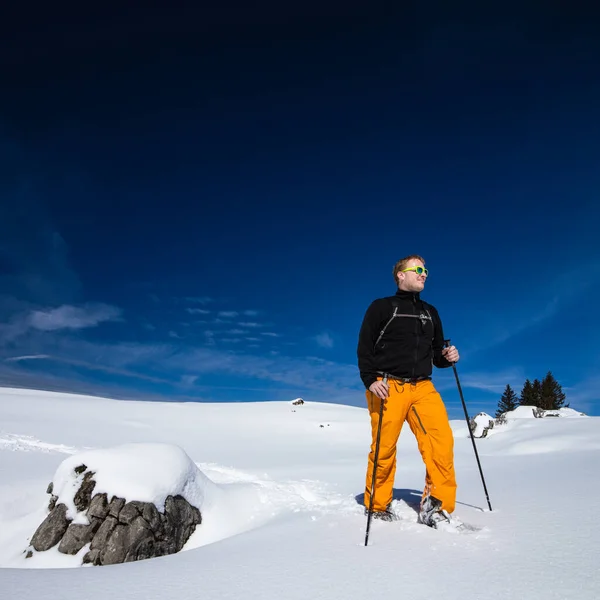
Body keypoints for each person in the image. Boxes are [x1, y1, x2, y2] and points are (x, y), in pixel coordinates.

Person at [357, 254, 460, 528]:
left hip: (423, 387)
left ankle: (436, 506)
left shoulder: (430, 312)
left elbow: (437, 357)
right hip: (387, 385)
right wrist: (370, 379)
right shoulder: (382, 307)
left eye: (426, 269)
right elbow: (365, 347)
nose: (424, 273)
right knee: (384, 449)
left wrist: (447, 356)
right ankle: (377, 505)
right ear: (400, 275)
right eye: (418, 269)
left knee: (441, 445)